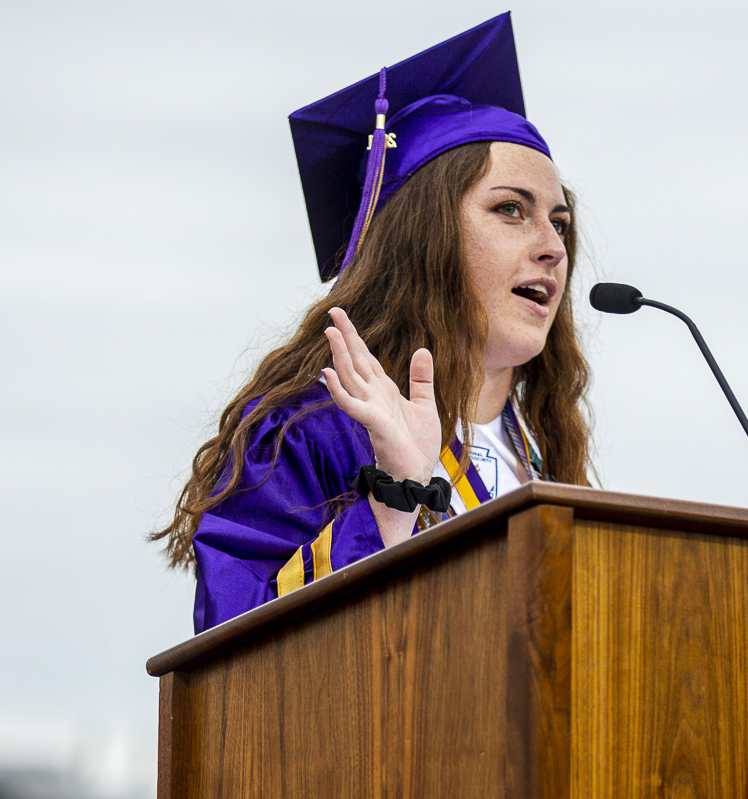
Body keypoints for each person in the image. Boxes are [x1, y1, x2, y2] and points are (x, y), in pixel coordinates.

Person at [152, 15, 592, 633]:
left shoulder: (544, 450)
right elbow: (239, 648)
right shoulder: (315, 432)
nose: (551, 246)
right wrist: (393, 500)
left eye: (561, 222)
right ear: (423, 239)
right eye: (510, 210)